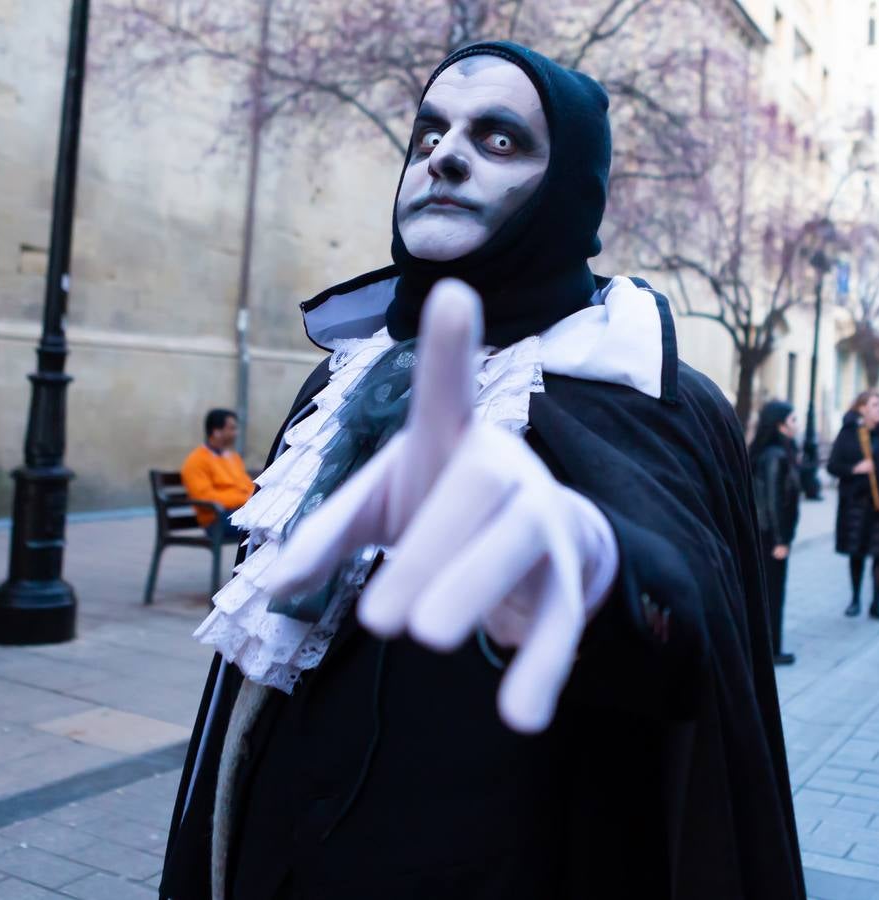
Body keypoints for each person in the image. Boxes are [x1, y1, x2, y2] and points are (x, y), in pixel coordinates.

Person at [160, 42, 804, 899]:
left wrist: (597, 568)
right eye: (429, 131)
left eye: (500, 141)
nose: (445, 155)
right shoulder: (341, 376)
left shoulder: (653, 395)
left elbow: (693, 660)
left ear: (568, 189)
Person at [827, 390, 879, 623]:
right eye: (874, 405)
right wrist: (855, 469)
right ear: (862, 408)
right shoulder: (849, 434)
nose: (878, 409)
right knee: (858, 553)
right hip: (858, 505)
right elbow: (833, 465)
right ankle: (855, 600)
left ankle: (877, 604)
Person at [750, 400, 802, 666]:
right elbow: (772, 500)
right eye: (793, 420)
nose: (797, 425)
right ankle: (771, 649)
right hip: (771, 536)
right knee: (772, 592)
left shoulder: (776, 451)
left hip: (768, 533)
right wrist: (781, 540)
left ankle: (769, 646)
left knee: (768, 591)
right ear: (781, 425)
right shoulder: (776, 455)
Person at [181, 408, 256, 541]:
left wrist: (253, 498)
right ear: (216, 432)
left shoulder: (233, 458)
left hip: (240, 512)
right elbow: (205, 497)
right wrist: (244, 499)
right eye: (232, 428)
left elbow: (247, 486)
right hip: (217, 521)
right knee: (266, 527)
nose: (236, 433)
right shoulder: (196, 461)